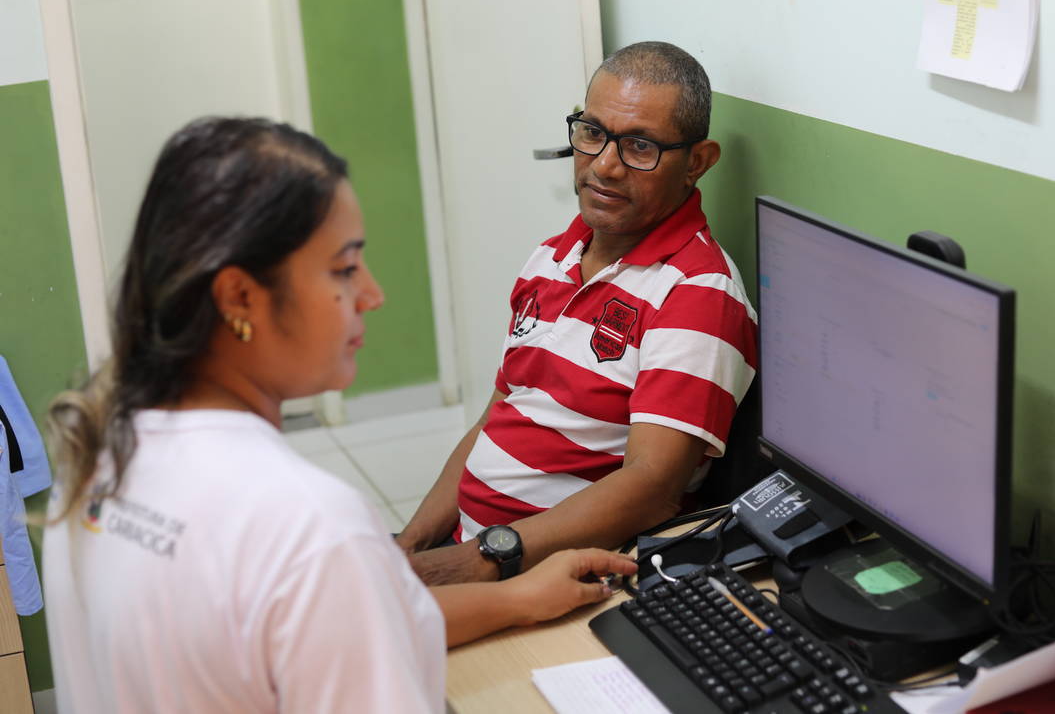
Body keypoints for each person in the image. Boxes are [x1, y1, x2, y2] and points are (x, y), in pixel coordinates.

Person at [41, 117, 636, 713]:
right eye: (344, 268)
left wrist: (519, 599)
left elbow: (350, 619)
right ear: (240, 297)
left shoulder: (99, 446)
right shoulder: (311, 527)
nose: (372, 294)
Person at [397, 41, 758, 585]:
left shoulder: (697, 291)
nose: (605, 166)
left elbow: (652, 488)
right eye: (592, 133)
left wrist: (475, 562)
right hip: (473, 556)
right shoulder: (552, 257)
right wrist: (410, 547)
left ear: (697, 163)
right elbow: (497, 418)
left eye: (639, 146)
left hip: (546, 578)